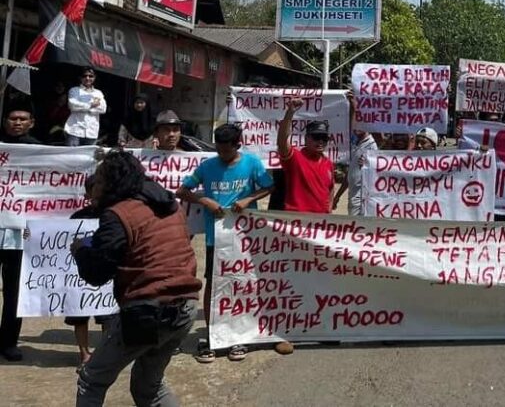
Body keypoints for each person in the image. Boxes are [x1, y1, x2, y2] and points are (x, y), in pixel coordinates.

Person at [71, 151, 201, 406]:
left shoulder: (119, 214)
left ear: (111, 182)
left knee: (91, 379)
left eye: (99, 180)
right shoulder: (170, 206)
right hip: (186, 307)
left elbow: (97, 274)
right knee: (148, 386)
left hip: (147, 310)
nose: (95, 186)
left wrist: (81, 251)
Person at [177, 123, 273, 364]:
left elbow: (269, 186)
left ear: (237, 145)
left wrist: (249, 199)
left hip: (244, 236)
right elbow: (182, 191)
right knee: (213, 282)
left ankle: (238, 333)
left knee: (240, 283)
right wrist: (205, 200)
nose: (221, 155)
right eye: (218, 150)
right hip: (215, 236)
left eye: (226, 151)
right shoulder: (207, 166)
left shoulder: (252, 163)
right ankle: (212, 333)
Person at [64, 175, 115, 372]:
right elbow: (57, 240)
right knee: (79, 316)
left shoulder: (113, 216)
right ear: (87, 195)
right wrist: (32, 235)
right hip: (79, 275)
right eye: (94, 196)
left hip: (106, 274)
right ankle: (84, 355)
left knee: (108, 316)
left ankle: (106, 355)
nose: (99, 200)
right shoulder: (77, 217)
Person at [0, 104, 39, 362]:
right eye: (13, 118)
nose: (17, 122)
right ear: (5, 121)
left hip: (19, 233)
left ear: (31, 122)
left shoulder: (40, 151)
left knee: (15, 290)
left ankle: (9, 341)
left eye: (22, 119)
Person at [277, 99, 336, 214]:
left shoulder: (328, 163)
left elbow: (331, 187)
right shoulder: (294, 157)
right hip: (298, 219)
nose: (320, 142)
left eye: (324, 139)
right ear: (306, 138)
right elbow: (282, 141)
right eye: (316, 137)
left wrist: (329, 208)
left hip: (320, 221)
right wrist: (290, 113)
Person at [65, 68, 106, 146]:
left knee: (88, 158)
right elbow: (72, 105)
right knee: (71, 157)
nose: (87, 78)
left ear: (94, 78)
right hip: (75, 130)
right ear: (80, 78)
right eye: (85, 76)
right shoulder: (74, 90)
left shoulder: (98, 93)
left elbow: (103, 109)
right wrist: (91, 105)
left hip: (92, 131)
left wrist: (85, 107)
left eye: (91, 76)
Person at [345, 130, 378, 215]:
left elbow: (377, 171)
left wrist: (369, 165)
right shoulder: (355, 144)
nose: (357, 128)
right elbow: (350, 172)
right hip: (353, 194)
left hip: (362, 197)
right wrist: (338, 195)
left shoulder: (372, 146)